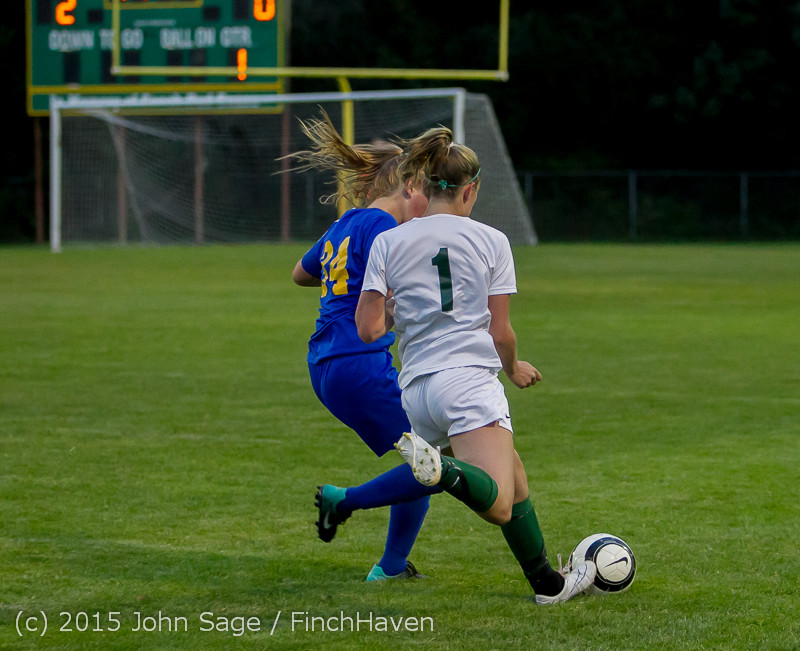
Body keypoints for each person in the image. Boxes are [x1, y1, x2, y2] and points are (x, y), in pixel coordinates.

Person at [355, 126, 596, 603]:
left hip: (417, 391)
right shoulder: (492, 240)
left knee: (514, 474)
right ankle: (440, 472)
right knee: (500, 505)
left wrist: (401, 312)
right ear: (470, 189)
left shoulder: (390, 241)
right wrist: (513, 367)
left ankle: (548, 584)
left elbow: (368, 329)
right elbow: (500, 332)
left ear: (423, 187)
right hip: (466, 381)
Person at [288, 112, 441, 581]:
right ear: (405, 186)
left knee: (427, 455)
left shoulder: (346, 223)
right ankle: (345, 502)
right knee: (429, 463)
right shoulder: (382, 228)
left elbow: (301, 273)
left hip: (325, 363)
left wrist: (343, 279)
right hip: (358, 361)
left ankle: (393, 565)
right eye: (423, 194)